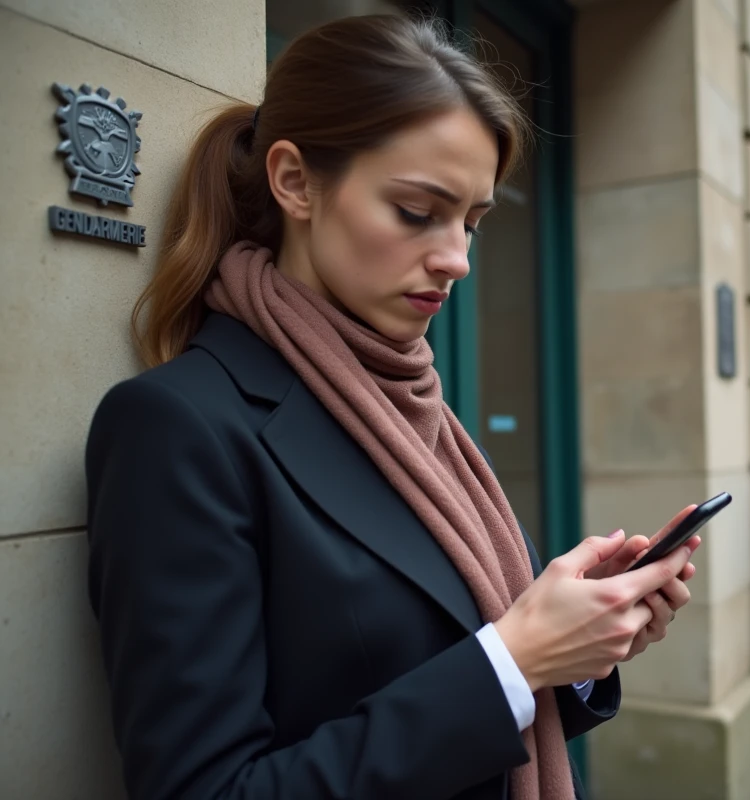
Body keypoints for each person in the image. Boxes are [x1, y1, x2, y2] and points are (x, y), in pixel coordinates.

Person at [84, 15, 700, 800]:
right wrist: (515, 657)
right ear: (295, 181)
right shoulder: (179, 427)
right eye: (417, 212)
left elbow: (457, 699)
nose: (458, 259)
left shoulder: (416, 405)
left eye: (473, 221)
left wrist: (580, 647)